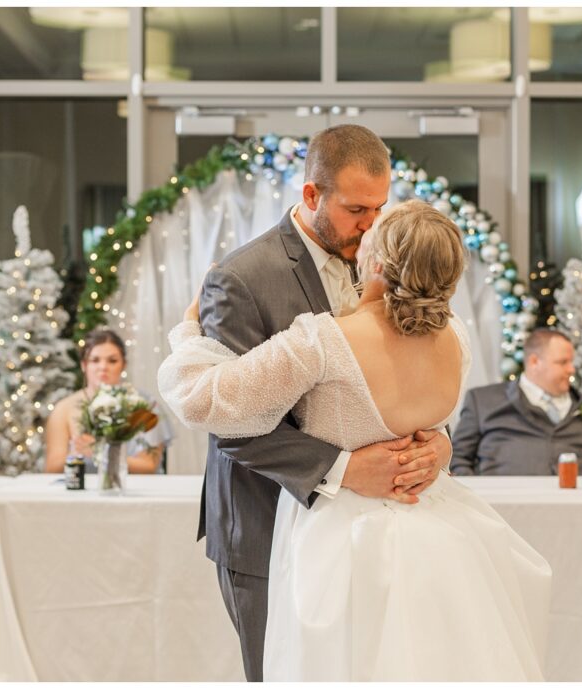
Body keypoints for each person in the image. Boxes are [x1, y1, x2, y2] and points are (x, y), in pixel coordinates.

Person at [160, 200, 551, 681]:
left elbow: (204, 399)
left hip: (341, 542)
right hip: (440, 538)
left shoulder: (324, 341)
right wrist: (440, 448)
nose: (362, 231)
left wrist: (187, 332)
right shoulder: (458, 338)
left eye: (374, 229)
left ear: (379, 263)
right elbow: (428, 421)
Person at [172, 125, 456, 681]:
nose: (371, 225)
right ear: (311, 196)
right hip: (266, 524)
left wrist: (437, 442)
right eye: (356, 209)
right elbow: (230, 423)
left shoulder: (385, 258)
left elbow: (415, 373)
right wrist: (345, 469)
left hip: (370, 536)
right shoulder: (241, 279)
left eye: (379, 208)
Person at [450, 329, 582, 476]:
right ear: (534, 362)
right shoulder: (483, 401)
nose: (571, 369)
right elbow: (457, 459)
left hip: (581, 508)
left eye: (571, 362)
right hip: (502, 509)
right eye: (563, 362)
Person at [45, 329, 170, 474]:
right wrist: (75, 454)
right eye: (95, 360)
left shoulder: (144, 404)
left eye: (112, 361)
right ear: (84, 365)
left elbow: (149, 465)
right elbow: (52, 467)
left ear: (123, 365)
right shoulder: (64, 408)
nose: (103, 367)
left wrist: (99, 452)